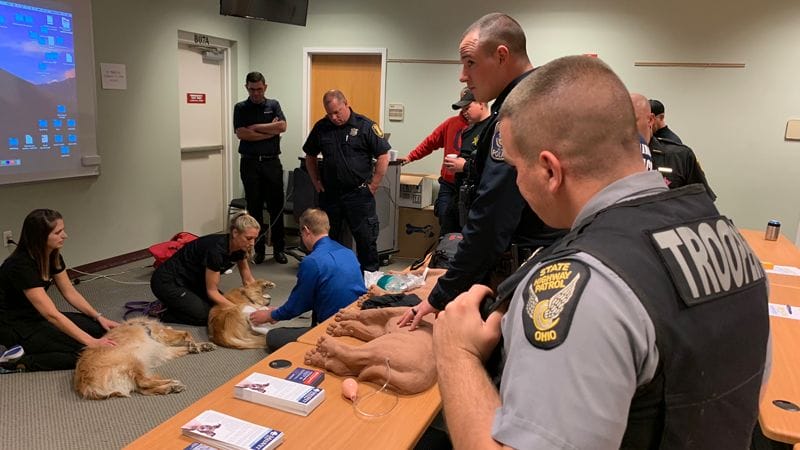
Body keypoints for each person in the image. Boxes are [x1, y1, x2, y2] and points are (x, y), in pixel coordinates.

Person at [433, 55, 769, 449]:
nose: (518, 181)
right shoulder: (730, 242)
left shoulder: (581, 286)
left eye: (516, 168)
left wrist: (456, 354)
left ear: (549, 171)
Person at [399, 12, 565, 330]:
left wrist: (440, 296)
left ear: (501, 55)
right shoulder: (544, 97)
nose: (463, 76)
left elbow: (492, 217)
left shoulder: (518, 116)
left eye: (470, 63)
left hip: (521, 268)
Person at [0, 209, 118, 372]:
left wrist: (98, 317)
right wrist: (91, 342)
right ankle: (17, 362)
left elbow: (70, 292)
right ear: (40, 237)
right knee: (86, 352)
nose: (65, 236)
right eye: (58, 232)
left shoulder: (52, 255)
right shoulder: (20, 266)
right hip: (15, 326)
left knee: (100, 330)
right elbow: (51, 315)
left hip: (36, 317)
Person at [249, 208, 366, 352]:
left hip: (334, 327)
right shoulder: (348, 252)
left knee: (273, 337)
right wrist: (279, 311)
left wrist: (271, 315)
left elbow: (299, 303)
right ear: (327, 227)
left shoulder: (312, 261)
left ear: (305, 230)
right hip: (359, 319)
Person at [302, 89, 391, 272]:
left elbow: (383, 155)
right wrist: (316, 181)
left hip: (359, 195)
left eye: (337, 112)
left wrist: (373, 185)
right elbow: (309, 155)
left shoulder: (366, 126)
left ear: (346, 104)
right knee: (327, 240)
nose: (334, 117)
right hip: (331, 195)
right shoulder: (321, 127)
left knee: (366, 240)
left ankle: (369, 279)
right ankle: (332, 275)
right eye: (329, 113)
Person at [151, 212, 259, 326]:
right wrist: (239, 311)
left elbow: (248, 280)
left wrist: (258, 303)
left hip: (193, 281)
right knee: (209, 316)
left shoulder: (240, 247)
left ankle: (179, 303)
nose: (252, 243)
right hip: (168, 282)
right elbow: (212, 292)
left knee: (224, 304)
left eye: (255, 239)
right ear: (235, 233)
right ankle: (163, 313)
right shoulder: (216, 250)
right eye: (248, 238)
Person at [234, 71, 288, 265]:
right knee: (255, 208)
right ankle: (257, 250)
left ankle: (279, 249)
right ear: (246, 88)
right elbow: (242, 133)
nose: (255, 93)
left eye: (258, 89)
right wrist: (269, 131)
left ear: (265, 87)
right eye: (251, 89)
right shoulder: (240, 108)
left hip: (271, 162)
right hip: (249, 163)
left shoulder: (273, 105)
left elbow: (282, 127)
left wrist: (255, 128)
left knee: (276, 207)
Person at [401, 88, 470, 234]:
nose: (465, 111)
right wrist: (410, 157)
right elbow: (430, 143)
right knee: (445, 218)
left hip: (468, 185)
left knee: (467, 225)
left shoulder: (483, 126)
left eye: (468, 107)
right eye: (463, 107)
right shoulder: (451, 123)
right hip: (448, 184)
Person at [631, 93, 716, 199]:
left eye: (631, 121)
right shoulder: (613, 160)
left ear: (650, 120)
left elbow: (704, 203)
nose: (625, 128)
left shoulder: (680, 156)